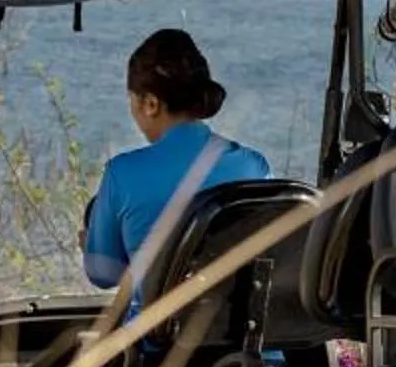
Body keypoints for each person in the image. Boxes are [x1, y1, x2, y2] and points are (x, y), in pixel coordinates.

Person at [82, 28, 269, 297]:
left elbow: (103, 274)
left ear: (150, 104)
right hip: (235, 323)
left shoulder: (121, 174)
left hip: (156, 325)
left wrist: (89, 244)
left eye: (131, 100)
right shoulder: (254, 166)